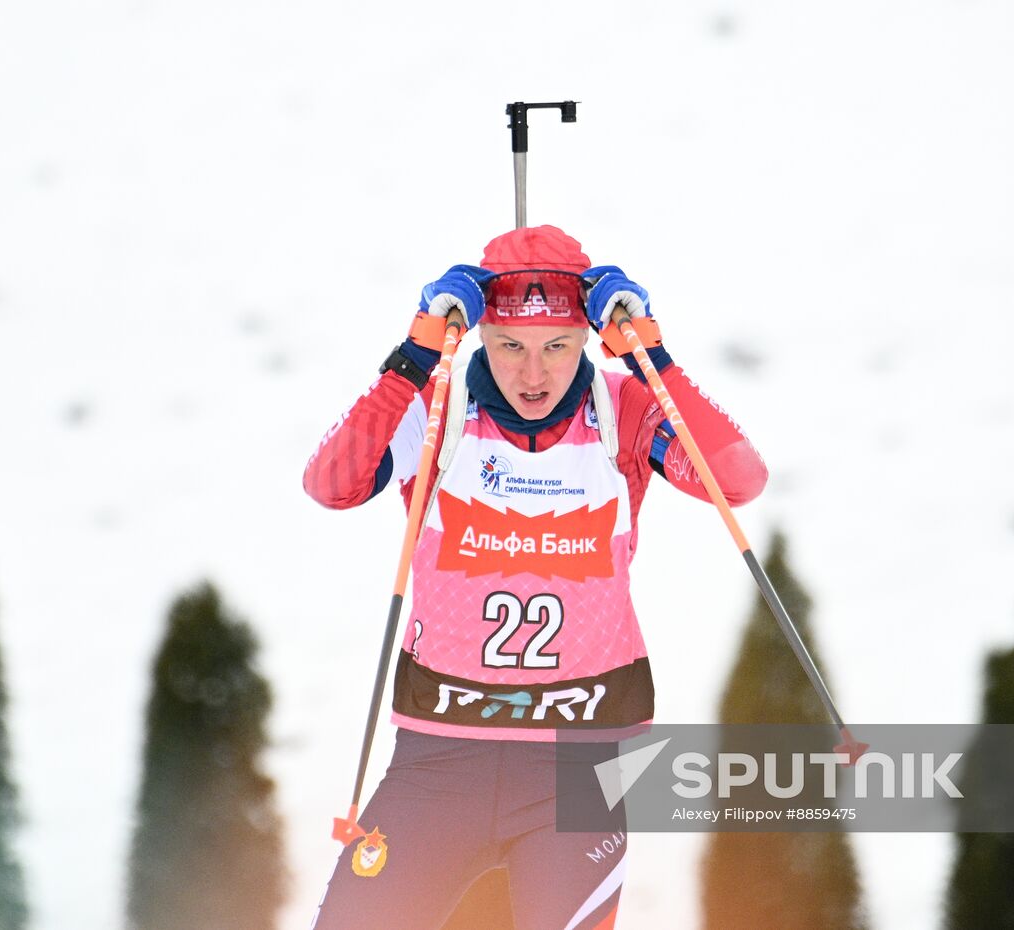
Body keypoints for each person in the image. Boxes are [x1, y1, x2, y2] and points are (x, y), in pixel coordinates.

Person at [304, 226, 767, 929]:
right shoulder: (437, 411)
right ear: (481, 336)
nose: (533, 375)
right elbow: (331, 485)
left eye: (557, 346)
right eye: (510, 346)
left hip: (579, 770)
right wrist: (417, 352)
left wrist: (649, 351)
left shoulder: (624, 411)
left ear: (585, 339)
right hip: (438, 759)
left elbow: (737, 480)